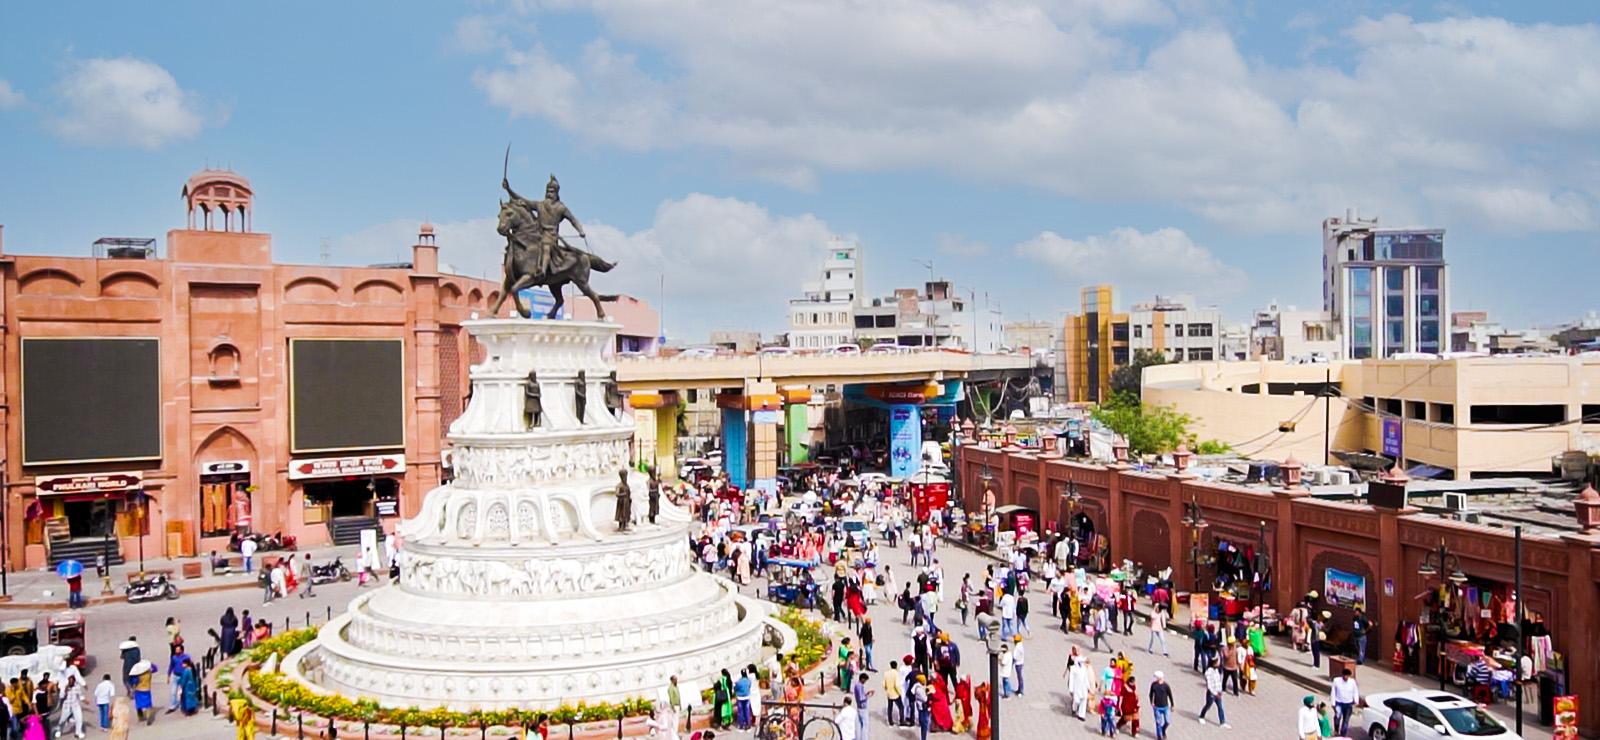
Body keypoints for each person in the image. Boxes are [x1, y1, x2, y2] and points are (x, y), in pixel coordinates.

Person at [1197, 660, 1228, 728]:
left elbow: (1218, 681)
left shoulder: (1216, 671)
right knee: (1208, 705)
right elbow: (1209, 685)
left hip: (1218, 692)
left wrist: (1220, 691)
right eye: (1216, 663)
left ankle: (1222, 722)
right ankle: (1201, 716)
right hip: (1211, 693)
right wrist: (1214, 693)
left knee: (1220, 707)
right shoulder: (1208, 672)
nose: (1218, 664)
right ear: (1213, 664)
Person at [1330, 668, 1359, 736]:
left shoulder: (1352, 682)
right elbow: (1333, 692)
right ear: (1342, 675)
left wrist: (1356, 701)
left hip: (1348, 704)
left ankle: (1343, 734)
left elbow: (1355, 691)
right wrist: (1333, 703)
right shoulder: (1336, 680)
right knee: (1337, 717)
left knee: (1346, 721)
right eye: (1345, 676)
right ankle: (1336, 730)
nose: (1346, 677)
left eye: (1347, 676)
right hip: (1339, 703)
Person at [57, 674, 84, 739]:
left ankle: (78, 732)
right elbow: (61, 696)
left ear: (74, 681)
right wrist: (66, 690)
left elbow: (80, 695)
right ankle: (59, 730)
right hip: (67, 706)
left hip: (75, 705)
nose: (71, 682)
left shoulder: (77, 687)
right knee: (62, 720)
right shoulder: (65, 687)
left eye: (72, 681)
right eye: (69, 681)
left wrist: (85, 700)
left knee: (79, 718)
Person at [1148, 671, 1173, 740]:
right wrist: (1151, 702)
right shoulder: (1153, 685)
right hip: (1157, 707)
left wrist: (1172, 705)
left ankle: (1163, 730)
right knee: (1158, 722)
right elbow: (1151, 694)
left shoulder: (1166, 686)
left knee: (1167, 721)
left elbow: (1170, 695)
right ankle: (1160, 737)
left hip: (1165, 706)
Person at [851, 671, 872, 740]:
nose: (865, 681)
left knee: (860, 724)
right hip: (862, 707)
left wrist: (866, 693)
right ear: (862, 679)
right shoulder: (859, 686)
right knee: (865, 725)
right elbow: (861, 698)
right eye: (865, 680)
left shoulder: (858, 685)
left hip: (860, 707)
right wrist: (868, 696)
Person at [884, 661, 905, 726]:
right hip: (895, 693)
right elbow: (896, 685)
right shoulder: (896, 673)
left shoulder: (886, 673)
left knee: (890, 707)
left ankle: (890, 721)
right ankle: (901, 721)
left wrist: (887, 689)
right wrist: (899, 692)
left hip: (889, 693)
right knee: (901, 707)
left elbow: (884, 684)